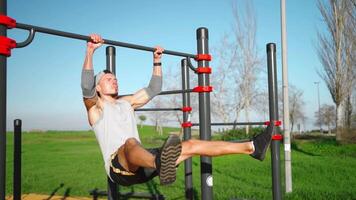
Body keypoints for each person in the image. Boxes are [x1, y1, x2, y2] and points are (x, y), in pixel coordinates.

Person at [81, 34, 272, 186]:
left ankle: (251, 148)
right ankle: (160, 163)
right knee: (130, 142)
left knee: (192, 144)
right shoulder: (96, 109)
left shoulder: (128, 102)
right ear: (98, 87)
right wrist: (90, 51)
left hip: (144, 162)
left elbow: (154, 88)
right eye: (108, 79)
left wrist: (156, 61)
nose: (114, 81)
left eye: (115, 79)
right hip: (120, 169)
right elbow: (86, 88)